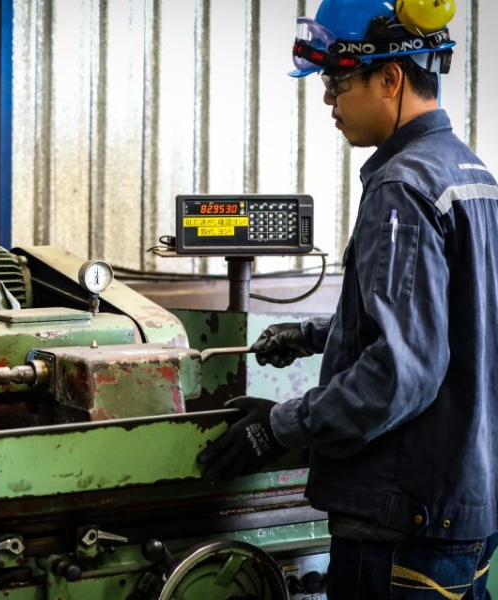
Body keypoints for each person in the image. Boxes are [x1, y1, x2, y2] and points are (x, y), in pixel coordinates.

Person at [197, 0, 498, 597]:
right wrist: (313, 334)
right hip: (464, 510)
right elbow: (453, 321)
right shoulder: (472, 175)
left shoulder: (401, 186)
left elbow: (399, 374)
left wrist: (280, 426)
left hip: (400, 525)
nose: (328, 100)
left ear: (390, 79)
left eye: (337, 82)